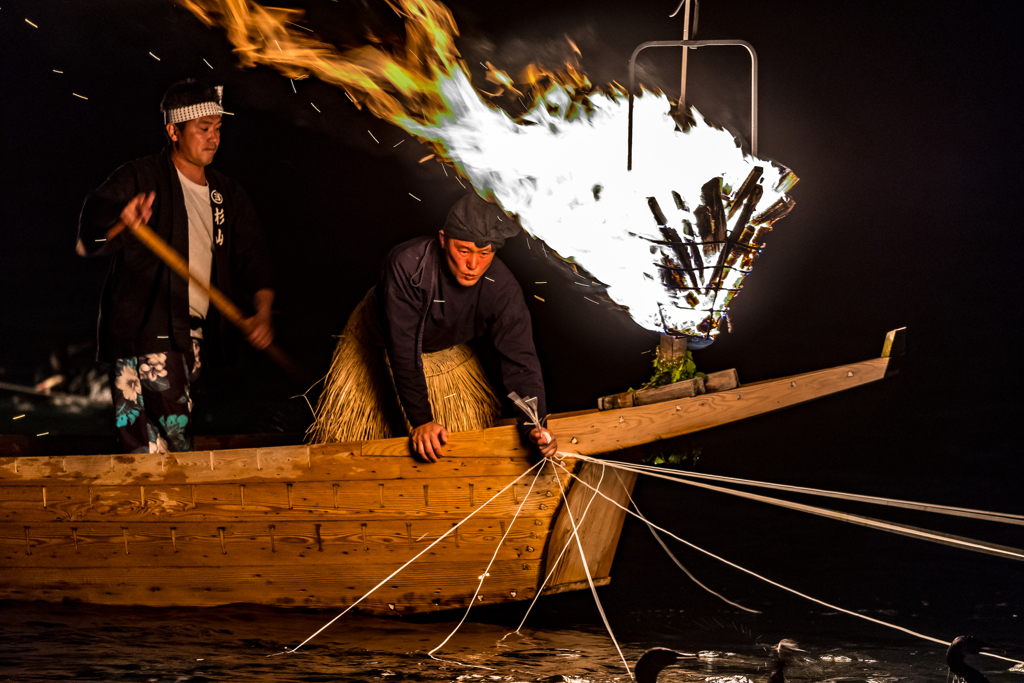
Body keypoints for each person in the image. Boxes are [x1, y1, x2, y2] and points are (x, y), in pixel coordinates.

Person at [77, 79, 275, 454]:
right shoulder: (141, 176)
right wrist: (123, 221)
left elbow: (256, 260)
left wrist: (262, 315)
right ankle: (178, 507)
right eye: (203, 129)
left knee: (153, 450)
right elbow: (91, 237)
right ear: (174, 131)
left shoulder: (226, 193)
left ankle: (157, 509)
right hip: (144, 332)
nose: (213, 138)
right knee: (167, 443)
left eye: (218, 128)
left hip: (192, 337)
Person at [309, 192, 557, 462]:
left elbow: (520, 361)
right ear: (443, 240)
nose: (473, 265)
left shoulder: (503, 290)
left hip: (445, 352)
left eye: (484, 254)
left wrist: (535, 425)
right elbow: (403, 347)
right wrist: (422, 421)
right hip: (381, 346)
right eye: (463, 251)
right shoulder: (408, 265)